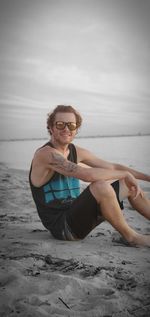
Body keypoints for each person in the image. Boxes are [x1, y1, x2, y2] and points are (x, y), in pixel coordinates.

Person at [29, 105, 150, 246]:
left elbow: (113, 167)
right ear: (51, 127)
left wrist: (146, 177)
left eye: (71, 125)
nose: (66, 129)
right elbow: (87, 175)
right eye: (60, 124)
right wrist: (126, 174)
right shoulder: (45, 154)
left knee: (128, 184)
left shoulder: (76, 151)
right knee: (100, 186)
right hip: (63, 228)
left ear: (76, 129)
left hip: (80, 216)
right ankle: (132, 238)